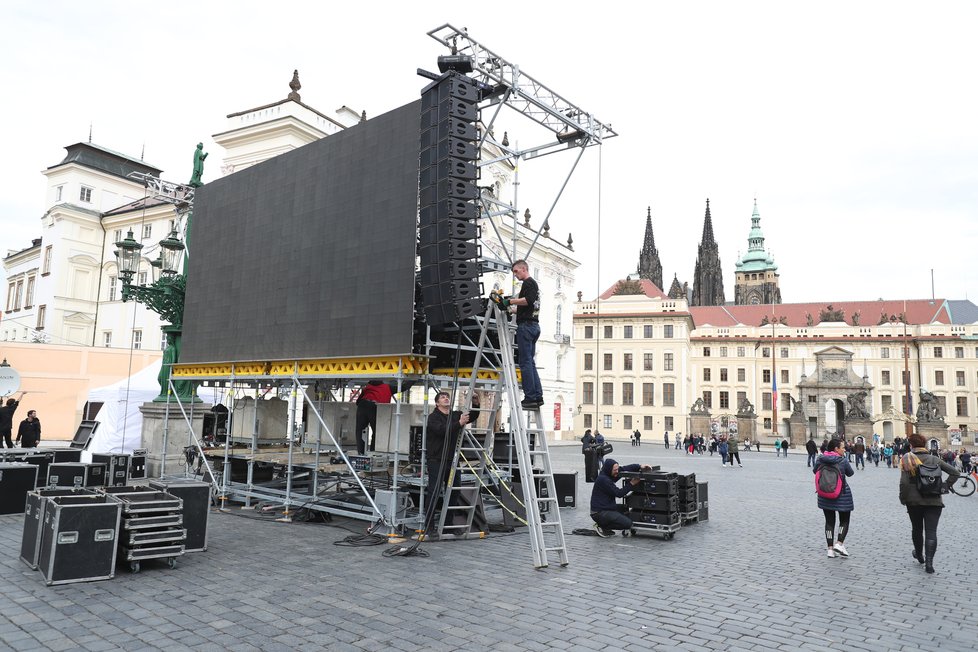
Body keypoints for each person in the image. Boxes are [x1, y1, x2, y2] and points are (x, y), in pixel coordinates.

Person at [899, 433, 960, 573]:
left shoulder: (907, 459)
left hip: (914, 501)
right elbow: (955, 473)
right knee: (931, 531)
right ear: (925, 445)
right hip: (934, 500)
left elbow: (904, 482)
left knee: (917, 529)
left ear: (911, 445)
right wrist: (944, 486)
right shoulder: (934, 459)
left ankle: (920, 555)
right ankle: (929, 564)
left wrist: (903, 498)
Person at [424, 390, 480, 516]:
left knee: (454, 491)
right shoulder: (433, 417)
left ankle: (447, 524)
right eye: (442, 397)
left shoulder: (455, 415)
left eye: (447, 397)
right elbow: (441, 430)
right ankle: (430, 526)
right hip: (436, 461)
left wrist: (475, 402)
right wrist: (459, 423)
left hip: (452, 461)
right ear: (437, 403)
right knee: (434, 492)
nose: (446, 398)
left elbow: (472, 416)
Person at [507, 260, 543, 409]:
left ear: (523, 268)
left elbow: (527, 301)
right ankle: (537, 396)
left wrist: (509, 301)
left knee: (525, 362)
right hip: (533, 325)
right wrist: (512, 309)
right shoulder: (533, 285)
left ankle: (530, 397)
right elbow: (529, 306)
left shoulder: (528, 283)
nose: (515, 275)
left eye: (516, 271)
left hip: (526, 327)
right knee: (530, 362)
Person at [813, 438, 855, 558]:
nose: (844, 449)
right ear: (836, 449)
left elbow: (815, 470)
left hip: (825, 494)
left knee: (829, 522)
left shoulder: (820, 459)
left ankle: (830, 550)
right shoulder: (842, 460)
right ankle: (839, 543)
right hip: (841, 495)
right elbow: (850, 473)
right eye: (843, 447)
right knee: (844, 520)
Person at [589, 458, 653, 537]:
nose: (617, 472)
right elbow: (619, 493)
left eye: (617, 469)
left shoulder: (608, 474)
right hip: (599, 512)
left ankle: (606, 523)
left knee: (625, 508)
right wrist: (631, 483)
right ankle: (602, 526)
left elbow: (624, 468)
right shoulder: (604, 480)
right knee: (628, 524)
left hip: (606, 507)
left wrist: (640, 466)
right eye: (615, 470)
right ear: (609, 469)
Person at [354, 379, 414, 455]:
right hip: (376, 407)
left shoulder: (367, 387)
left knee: (360, 431)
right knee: (377, 431)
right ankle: (373, 452)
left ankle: (361, 453)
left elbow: (357, 402)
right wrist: (413, 380)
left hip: (363, 406)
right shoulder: (388, 387)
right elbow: (403, 387)